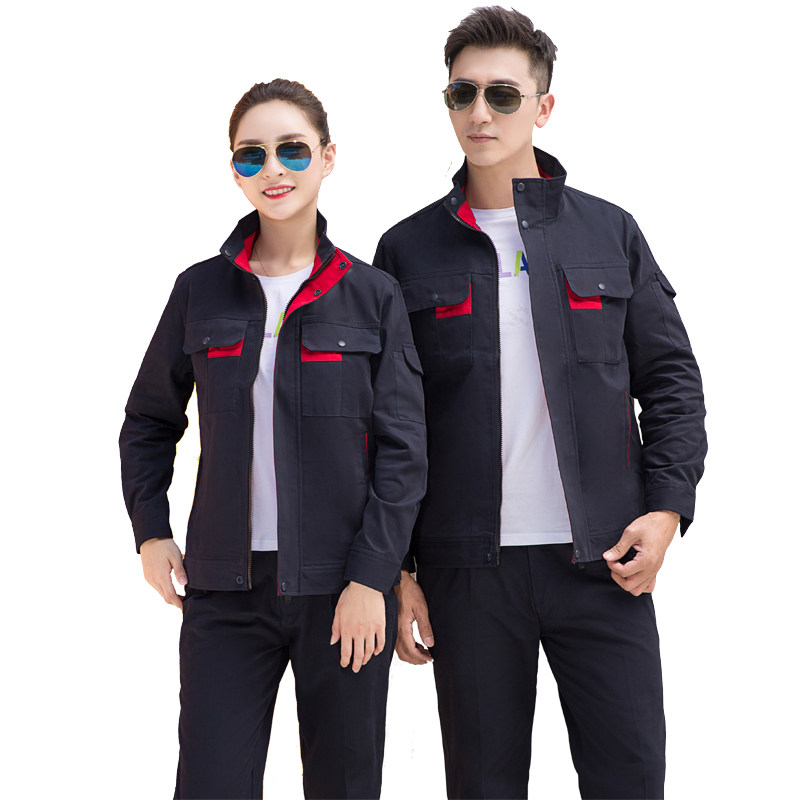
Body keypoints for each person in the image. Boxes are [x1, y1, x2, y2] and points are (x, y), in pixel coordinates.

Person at [373, 7, 706, 799]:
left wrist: (666, 510)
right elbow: (383, 423)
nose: (480, 113)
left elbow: (671, 381)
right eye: (462, 94)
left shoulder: (609, 232)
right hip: (465, 570)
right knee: (482, 786)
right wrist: (397, 571)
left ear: (543, 106)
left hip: (604, 561)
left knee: (630, 778)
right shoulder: (405, 250)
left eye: (502, 94)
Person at [119, 79, 426, 800]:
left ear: (327, 158)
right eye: (251, 155)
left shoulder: (372, 295)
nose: (273, 169)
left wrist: (372, 578)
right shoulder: (199, 290)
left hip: (342, 588)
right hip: (225, 592)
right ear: (234, 170)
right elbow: (149, 420)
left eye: (292, 149)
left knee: (344, 786)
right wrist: (151, 531)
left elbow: (404, 451)